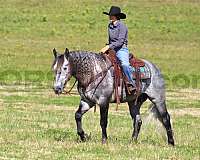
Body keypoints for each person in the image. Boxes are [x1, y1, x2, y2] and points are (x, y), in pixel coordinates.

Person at [100, 6, 136, 90]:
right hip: (112, 49)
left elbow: (120, 42)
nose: (109, 16)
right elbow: (110, 40)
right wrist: (108, 48)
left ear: (115, 16)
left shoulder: (122, 26)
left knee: (124, 64)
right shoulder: (110, 26)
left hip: (121, 49)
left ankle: (131, 83)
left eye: (111, 15)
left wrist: (108, 46)